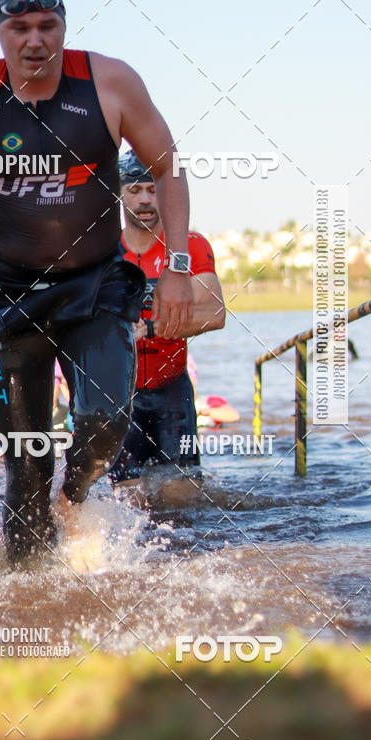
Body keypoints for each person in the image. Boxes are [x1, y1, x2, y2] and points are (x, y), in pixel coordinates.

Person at [0, 0, 193, 563]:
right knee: (24, 464)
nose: (34, 40)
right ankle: (28, 601)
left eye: (48, 25)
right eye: (19, 27)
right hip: (8, 296)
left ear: (64, 26)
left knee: (104, 423)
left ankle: (73, 498)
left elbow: (169, 168)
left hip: (94, 286)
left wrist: (174, 267)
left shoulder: (109, 82)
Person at [109, 150, 226, 497]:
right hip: (119, 395)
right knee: (127, 511)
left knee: (183, 505)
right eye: (135, 190)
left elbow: (215, 314)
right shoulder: (103, 251)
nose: (145, 199)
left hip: (172, 392)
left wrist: (153, 327)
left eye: (153, 189)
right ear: (119, 193)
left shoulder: (190, 246)